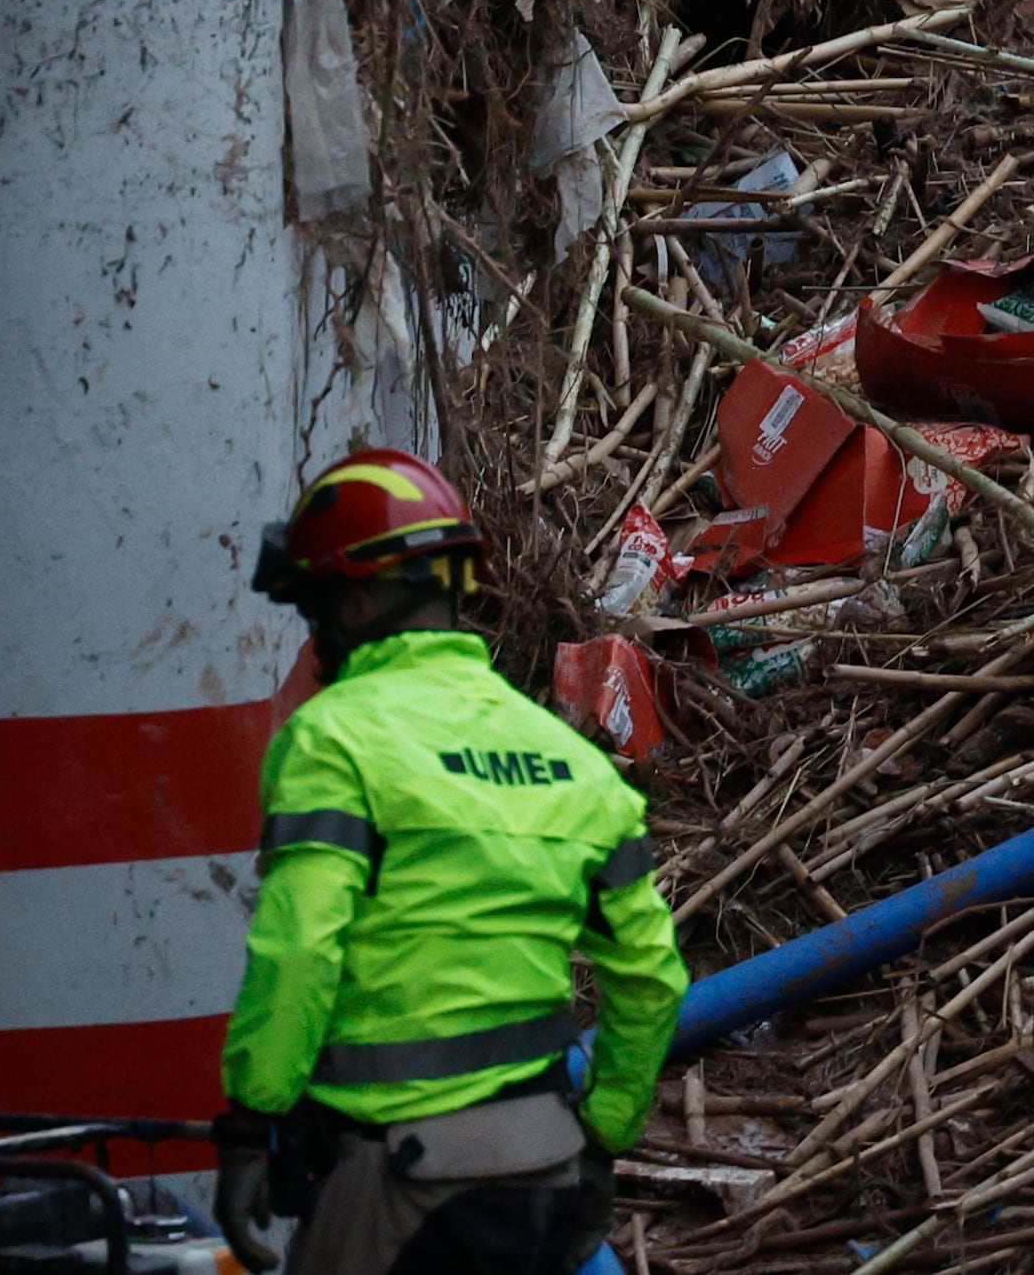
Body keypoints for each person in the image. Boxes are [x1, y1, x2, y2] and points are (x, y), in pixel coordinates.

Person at [214, 449, 685, 1275]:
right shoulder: (569, 759)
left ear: (356, 599)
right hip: (543, 1170)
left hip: (399, 1182)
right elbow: (651, 978)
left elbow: (299, 950)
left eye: (319, 608)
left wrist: (253, 1125)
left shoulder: (335, 739)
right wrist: (601, 1139)